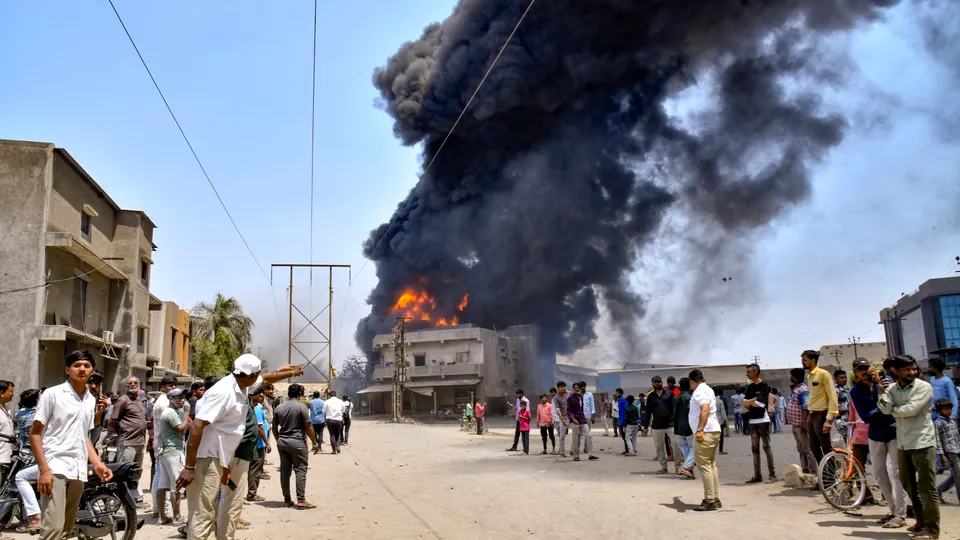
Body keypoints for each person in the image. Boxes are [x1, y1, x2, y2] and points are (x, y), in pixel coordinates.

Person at [176, 356, 303, 540]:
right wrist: (189, 467)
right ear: (250, 375)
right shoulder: (224, 392)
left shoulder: (241, 384)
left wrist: (290, 372)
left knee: (212, 511)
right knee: (203, 514)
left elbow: (266, 378)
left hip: (220, 456)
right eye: (257, 375)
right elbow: (196, 426)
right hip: (207, 457)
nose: (259, 379)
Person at [30, 349, 113, 540]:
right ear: (68, 369)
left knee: (66, 531)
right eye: (77, 365)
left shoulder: (90, 400)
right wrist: (44, 470)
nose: (82, 369)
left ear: (92, 370)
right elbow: (34, 433)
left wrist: (98, 464)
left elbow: (83, 436)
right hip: (55, 466)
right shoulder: (53, 394)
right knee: (53, 529)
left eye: (86, 365)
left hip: (78, 469)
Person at [878, 355, 939, 540]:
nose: (912, 372)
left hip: (922, 442)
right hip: (904, 443)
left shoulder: (924, 387)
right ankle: (920, 522)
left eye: (913, 369)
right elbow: (883, 408)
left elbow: (909, 410)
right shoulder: (891, 389)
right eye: (907, 370)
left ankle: (932, 529)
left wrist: (894, 410)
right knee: (907, 483)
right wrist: (883, 395)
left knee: (927, 488)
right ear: (896, 371)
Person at [849, 358, 906, 529]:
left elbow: (896, 406)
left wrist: (883, 393)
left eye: (866, 368)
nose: (864, 372)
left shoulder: (886, 383)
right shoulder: (855, 392)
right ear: (856, 373)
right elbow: (866, 417)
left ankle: (901, 513)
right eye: (860, 370)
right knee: (879, 473)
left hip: (894, 432)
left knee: (896, 473)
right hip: (875, 435)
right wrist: (882, 404)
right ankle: (892, 509)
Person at [272, 383, 319, 509]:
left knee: (285, 471)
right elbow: (308, 426)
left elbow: (274, 427)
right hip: (297, 442)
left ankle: (287, 500)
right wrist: (314, 443)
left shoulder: (279, 407)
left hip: (282, 442)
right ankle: (301, 500)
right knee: (301, 469)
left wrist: (278, 440)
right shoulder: (301, 407)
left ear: (288, 393)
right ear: (300, 394)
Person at [110, 376, 148, 506]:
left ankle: (130, 503)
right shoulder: (123, 400)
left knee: (135, 475)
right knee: (123, 475)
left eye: (135, 383)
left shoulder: (140, 401)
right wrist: (122, 432)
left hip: (139, 444)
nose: (133, 385)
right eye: (130, 383)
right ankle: (117, 505)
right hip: (127, 443)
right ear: (126, 386)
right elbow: (112, 421)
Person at [689, 369, 722, 512]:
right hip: (714, 430)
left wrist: (700, 429)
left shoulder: (699, 391)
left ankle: (710, 500)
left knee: (704, 466)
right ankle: (715, 497)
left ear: (692, 381)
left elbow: (705, 408)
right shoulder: (708, 389)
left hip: (706, 432)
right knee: (711, 465)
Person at [150, 375, 181, 518]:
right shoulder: (165, 403)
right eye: (170, 385)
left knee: (160, 477)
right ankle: (167, 512)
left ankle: (159, 510)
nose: (173, 388)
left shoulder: (161, 401)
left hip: (161, 443)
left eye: (175, 385)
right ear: (163, 387)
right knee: (168, 480)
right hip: (167, 444)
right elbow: (175, 426)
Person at [158, 388, 190, 524]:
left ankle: (162, 517)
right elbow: (181, 430)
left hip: (166, 452)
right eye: (178, 397)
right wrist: (188, 413)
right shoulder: (171, 413)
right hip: (173, 451)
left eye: (183, 397)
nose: (182, 400)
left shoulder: (171, 412)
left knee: (163, 485)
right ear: (171, 399)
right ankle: (177, 517)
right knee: (175, 486)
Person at [802, 349, 839, 463]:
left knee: (826, 447)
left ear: (813, 360)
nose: (802, 362)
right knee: (814, 448)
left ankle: (831, 478)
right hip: (812, 414)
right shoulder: (809, 376)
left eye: (805, 360)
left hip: (821, 415)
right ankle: (823, 475)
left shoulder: (823, 374)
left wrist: (829, 419)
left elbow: (833, 397)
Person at [13, 389, 40, 533]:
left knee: (23, 489)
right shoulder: (40, 413)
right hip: (39, 454)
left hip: (24, 455)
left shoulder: (18, 414)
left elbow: (16, 432)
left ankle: (28, 520)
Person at [744, 363, 776, 483]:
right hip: (753, 421)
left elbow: (761, 404)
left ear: (756, 372)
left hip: (763, 420)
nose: (747, 374)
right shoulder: (750, 387)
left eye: (749, 372)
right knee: (754, 448)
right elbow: (744, 403)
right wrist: (753, 400)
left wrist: (750, 402)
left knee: (766, 447)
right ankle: (757, 475)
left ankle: (772, 475)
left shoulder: (764, 386)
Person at [846, 396, 878, 505]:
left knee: (881, 468)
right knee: (858, 468)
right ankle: (865, 495)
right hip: (859, 436)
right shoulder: (854, 395)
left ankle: (886, 496)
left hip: (876, 435)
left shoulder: (876, 393)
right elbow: (851, 418)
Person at [786, 368, 816, 475]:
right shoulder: (796, 389)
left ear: (794, 377)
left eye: (791, 376)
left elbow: (805, 406)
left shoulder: (803, 390)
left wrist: (804, 422)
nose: (790, 378)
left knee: (807, 450)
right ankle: (805, 470)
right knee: (801, 449)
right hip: (796, 425)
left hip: (801, 424)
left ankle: (814, 473)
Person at [643, 376, 675, 474]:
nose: (657, 384)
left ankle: (678, 467)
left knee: (676, 446)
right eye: (655, 382)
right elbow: (648, 412)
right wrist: (645, 427)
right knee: (659, 447)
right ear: (652, 383)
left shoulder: (669, 394)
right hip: (657, 426)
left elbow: (674, 409)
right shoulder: (650, 396)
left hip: (670, 425)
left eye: (659, 382)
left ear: (662, 382)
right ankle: (664, 468)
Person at [245, 388, 271, 502]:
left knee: (253, 468)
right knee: (255, 469)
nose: (262, 396)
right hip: (258, 443)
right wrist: (267, 443)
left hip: (255, 442)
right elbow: (259, 428)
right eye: (259, 394)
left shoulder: (255, 407)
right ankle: (252, 493)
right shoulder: (256, 409)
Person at [934, 398, 960, 503]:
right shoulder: (938, 423)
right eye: (946, 409)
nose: (949, 411)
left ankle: (939, 490)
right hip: (949, 452)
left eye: (950, 408)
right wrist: (941, 454)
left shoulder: (952, 421)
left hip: (957, 449)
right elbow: (937, 440)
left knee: (956, 475)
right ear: (940, 410)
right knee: (958, 474)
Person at [567, 383, 597, 461]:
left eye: (578, 388)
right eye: (575, 388)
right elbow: (568, 410)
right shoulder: (570, 398)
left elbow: (582, 408)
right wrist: (573, 419)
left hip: (582, 420)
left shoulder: (581, 397)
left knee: (589, 436)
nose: (577, 389)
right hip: (575, 421)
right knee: (575, 438)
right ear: (573, 389)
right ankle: (576, 456)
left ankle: (591, 454)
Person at [673, 378, 696, 479]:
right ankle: (686, 467)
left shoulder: (675, 398)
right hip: (689, 427)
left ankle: (689, 470)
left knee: (685, 448)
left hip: (678, 427)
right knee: (694, 448)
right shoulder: (690, 398)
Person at [0, 380, 15, 483]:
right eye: (11, 391)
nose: (13, 394)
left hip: (6, 456)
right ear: (1, 393)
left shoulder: (7, 409)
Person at [552, 384, 569, 457]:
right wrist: (562, 420)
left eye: (564, 386)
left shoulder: (569, 393)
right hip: (564, 417)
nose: (563, 388)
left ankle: (574, 451)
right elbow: (558, 410)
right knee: (562, 435)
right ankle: (562, 452)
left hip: (572, 416)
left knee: (577, 433)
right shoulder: (556, 398)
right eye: (561, 387)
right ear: (558, 388)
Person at [834, 370, 850, 443]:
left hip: (848, 420)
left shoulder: (843, 389)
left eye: (845, 377)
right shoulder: (836, 390)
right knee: (849, 441)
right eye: (841, 378)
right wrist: (849, 410)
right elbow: (835, 409)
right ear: (835, 379)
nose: (844, 379)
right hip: (842, 421)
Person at [580, 381, 595, 453]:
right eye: (581, 386)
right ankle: (576, 447)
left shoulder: (590, 394)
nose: (582, 387)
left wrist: (593, 416)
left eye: (583, 386)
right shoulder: (578, 395)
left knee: (587, 432)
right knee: (578, 432)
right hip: (579, 416)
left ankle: (586, 447)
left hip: (587, 415)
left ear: (585, 386)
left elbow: (592, 405)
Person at [614, 388, 629, 455]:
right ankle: (627, 449)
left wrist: (625, 421)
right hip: (620, 421)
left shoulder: (623, 400)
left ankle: (629, 449)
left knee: (625, 436)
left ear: (621, 393)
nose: (615, 394)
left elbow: (627, 409)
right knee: (623, 436)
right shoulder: (619, 400)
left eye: (617, 393)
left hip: (623, 421)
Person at [714, 388, 728, 455]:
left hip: (710, 422)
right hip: (719, 421)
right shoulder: (720, 401)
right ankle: (720, 450)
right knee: (721, 437)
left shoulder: (707, 401)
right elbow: (723, 412)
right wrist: (725, 420)